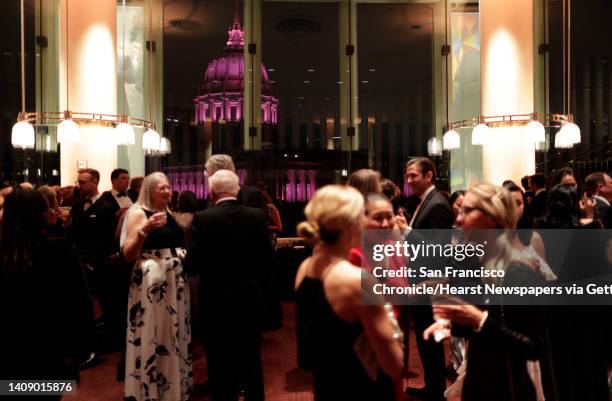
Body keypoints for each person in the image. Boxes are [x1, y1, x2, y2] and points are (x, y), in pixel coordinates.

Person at [424, 183, 554, 401]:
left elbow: (534, 346)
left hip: (506, 389)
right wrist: (457, 322)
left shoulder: (517, 272)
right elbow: (495, 326)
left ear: (492, 217)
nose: (458, 219)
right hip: (486, 382)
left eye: (467, 211)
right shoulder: (484, 263)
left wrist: (478, 318)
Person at [295, 185, 403, 401]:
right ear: (352, 225)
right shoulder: (357, 281)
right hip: (363, 389)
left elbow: (306, 355)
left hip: (327, 386)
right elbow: (394, 364)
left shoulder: (304, 268)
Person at [185, 170, 273, 401]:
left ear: (212, 192)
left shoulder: (203, 219)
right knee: (251, 359)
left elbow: (192, 265)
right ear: (237, 190)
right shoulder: (257, 216)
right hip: (248, 295)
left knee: (219, 359)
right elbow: (267, 260)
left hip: (215, 298)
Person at [0, 188, 93, 393]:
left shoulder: (7, 257)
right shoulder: (60, 251)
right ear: (42, 215)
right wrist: (77, 353)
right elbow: (80, 304)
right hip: (53, 355)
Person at [121, 172, 192, 401]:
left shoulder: (167, 212)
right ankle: (150, 389)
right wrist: (145, 230)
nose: (168, 191)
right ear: (150, 190)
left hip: (172, 282)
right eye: (162, 187)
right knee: (154, 333)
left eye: (168, 187)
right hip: (151, 285)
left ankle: (171, 387)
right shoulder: (138, 213)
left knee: (170, 334)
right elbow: (128, 254)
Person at [404, 157, 453, 401]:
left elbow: (437, 250)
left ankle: (436, 392)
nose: (409, 180)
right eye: (408, 175)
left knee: (430, 340)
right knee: (425, 340)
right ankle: (432, 387)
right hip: (420, 282)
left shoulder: (437, 204)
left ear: (429, 175)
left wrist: (406, 233)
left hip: (430, 286)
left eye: (414, 175)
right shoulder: (426, 202)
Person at [503, 181, 555, 281]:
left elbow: (548, 277)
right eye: (508, 204)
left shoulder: (533, 238)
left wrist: (536, 271)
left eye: (518, 203)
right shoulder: (490, 237)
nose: (513, 208)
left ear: (524, 206)